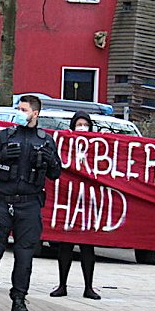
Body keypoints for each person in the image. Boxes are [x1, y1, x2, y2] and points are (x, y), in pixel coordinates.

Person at [0, 95, 61, 311]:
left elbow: (55, 174)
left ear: (35, 113)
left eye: (23, 109)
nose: (19, 112)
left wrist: (51, 161)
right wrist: (0, 155)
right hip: (2, 202)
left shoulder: (46, 141)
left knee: (25, 256)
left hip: (29, 205)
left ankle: (19, 303)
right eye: (18, 108)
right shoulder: (4, 135)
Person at [49, 111, 100, 300]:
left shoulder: (97, 148)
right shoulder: (65, 146)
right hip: (68, 202)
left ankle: (89, 287)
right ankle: (62, 284)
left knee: (88, 248)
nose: (82, 128)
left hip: (87, 204)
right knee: (65, 247)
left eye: (85, 124)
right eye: (78, 124)